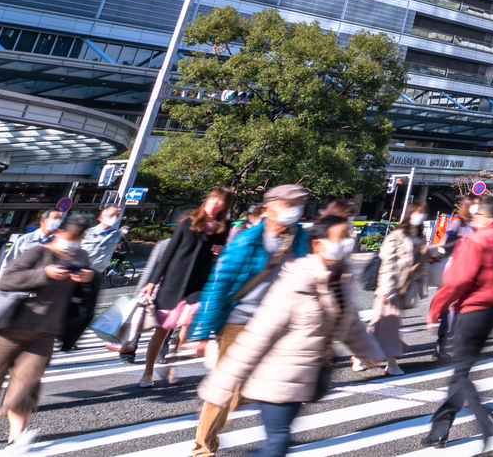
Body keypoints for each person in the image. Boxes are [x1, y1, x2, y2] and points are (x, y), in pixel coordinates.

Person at [196, 215, 383, 457]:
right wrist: (221, 383)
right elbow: (258, 335)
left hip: (304, 379)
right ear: (318, 244)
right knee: (278, 443)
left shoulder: (339, 279)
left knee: (279, 442)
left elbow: (351, 326)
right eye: (343, 237)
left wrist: (372, 354)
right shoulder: (296, 280)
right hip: (276, 376)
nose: (349, 242)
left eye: (350, 236)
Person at [186, 185, 313, 457]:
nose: (297, 208)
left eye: (300, 203)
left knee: (266, 386)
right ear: (269, 208)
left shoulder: (299, 237)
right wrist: (202, 331)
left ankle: (274, 445)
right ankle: (204, 449)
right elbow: (219, 284)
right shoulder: (247, 241)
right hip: (239, 323)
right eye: (291, 203)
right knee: (225, 390)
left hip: (278, 326)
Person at [0, 210, 99, 456]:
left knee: (26, 386)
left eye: (79, 237)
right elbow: (7, 279)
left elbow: (84, 294)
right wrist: (44, 273)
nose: (75, 242)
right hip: (7, 329)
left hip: (45, 332)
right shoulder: (39, 251)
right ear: (59, 233)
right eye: (71, 236)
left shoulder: (81, 255)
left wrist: (89, 278)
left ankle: (15, 440)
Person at [422, 196, 493, 451]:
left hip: (472, 312)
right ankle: (439, 431)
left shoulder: (476, 240)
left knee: (460, 372)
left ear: (483, 216)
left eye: (477, 215)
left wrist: (437, 307)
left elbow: (459, 280)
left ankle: (485, 419)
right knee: (461, 372)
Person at [136, 188, 233, 388]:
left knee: (189, 324)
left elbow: (221, 259)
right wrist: (152, 281)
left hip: (199, 284)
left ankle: (171, 364)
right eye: (213, 199)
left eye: (220, 202)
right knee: (162, 330)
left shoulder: (224, 227)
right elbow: (168, 253)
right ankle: (148, 372)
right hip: (173, 283)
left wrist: (222, 252)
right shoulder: (188, 223)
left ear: (225, 206)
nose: (214, 204)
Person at [366, 201, 426, 375]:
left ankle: (360, 354)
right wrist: (388, 288)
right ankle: (391, 365)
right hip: (389, 288)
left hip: (403, 288)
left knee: (382, 325)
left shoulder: (420, 236)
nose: (421, 215)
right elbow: (387, 261)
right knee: (388, 325)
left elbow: (422, 262)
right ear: (410, 213)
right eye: (418, 212)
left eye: (423, 213)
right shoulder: (397, 234)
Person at [82, 205, 126, 273]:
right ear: (101, 218)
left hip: (98, 272)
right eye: (112, 215)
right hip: (81, 270)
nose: (114, 218)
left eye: (117, 216)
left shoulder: (116, 234)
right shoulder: (88, 233)